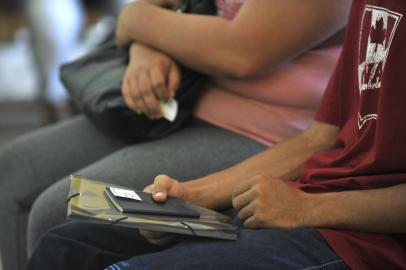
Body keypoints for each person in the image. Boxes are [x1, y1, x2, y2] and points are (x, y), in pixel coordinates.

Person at [25, 0, 406, 269]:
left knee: (68, 221)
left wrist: (309, 209)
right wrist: (193, 194)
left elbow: (241, 52)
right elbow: (318, 140)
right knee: (65, 247)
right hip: (300, 190)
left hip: (359, 236)